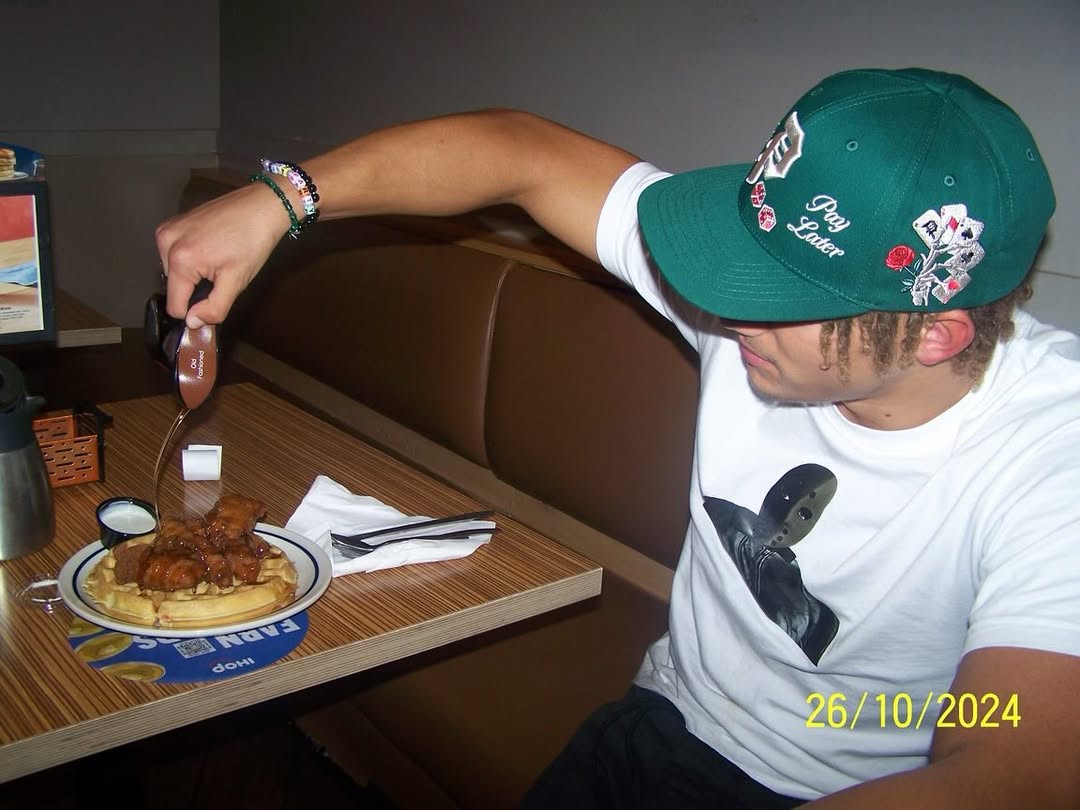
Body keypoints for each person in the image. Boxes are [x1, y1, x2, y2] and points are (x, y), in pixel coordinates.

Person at [156, 68, 1080, 809]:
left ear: (935, 336)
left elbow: (1017, 770)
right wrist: (278, 201)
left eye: (781, 298)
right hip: (661, 720)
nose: (725, 307)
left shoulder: (1051, 449)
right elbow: (520, 152)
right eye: (740, 262)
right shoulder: (747, 308)